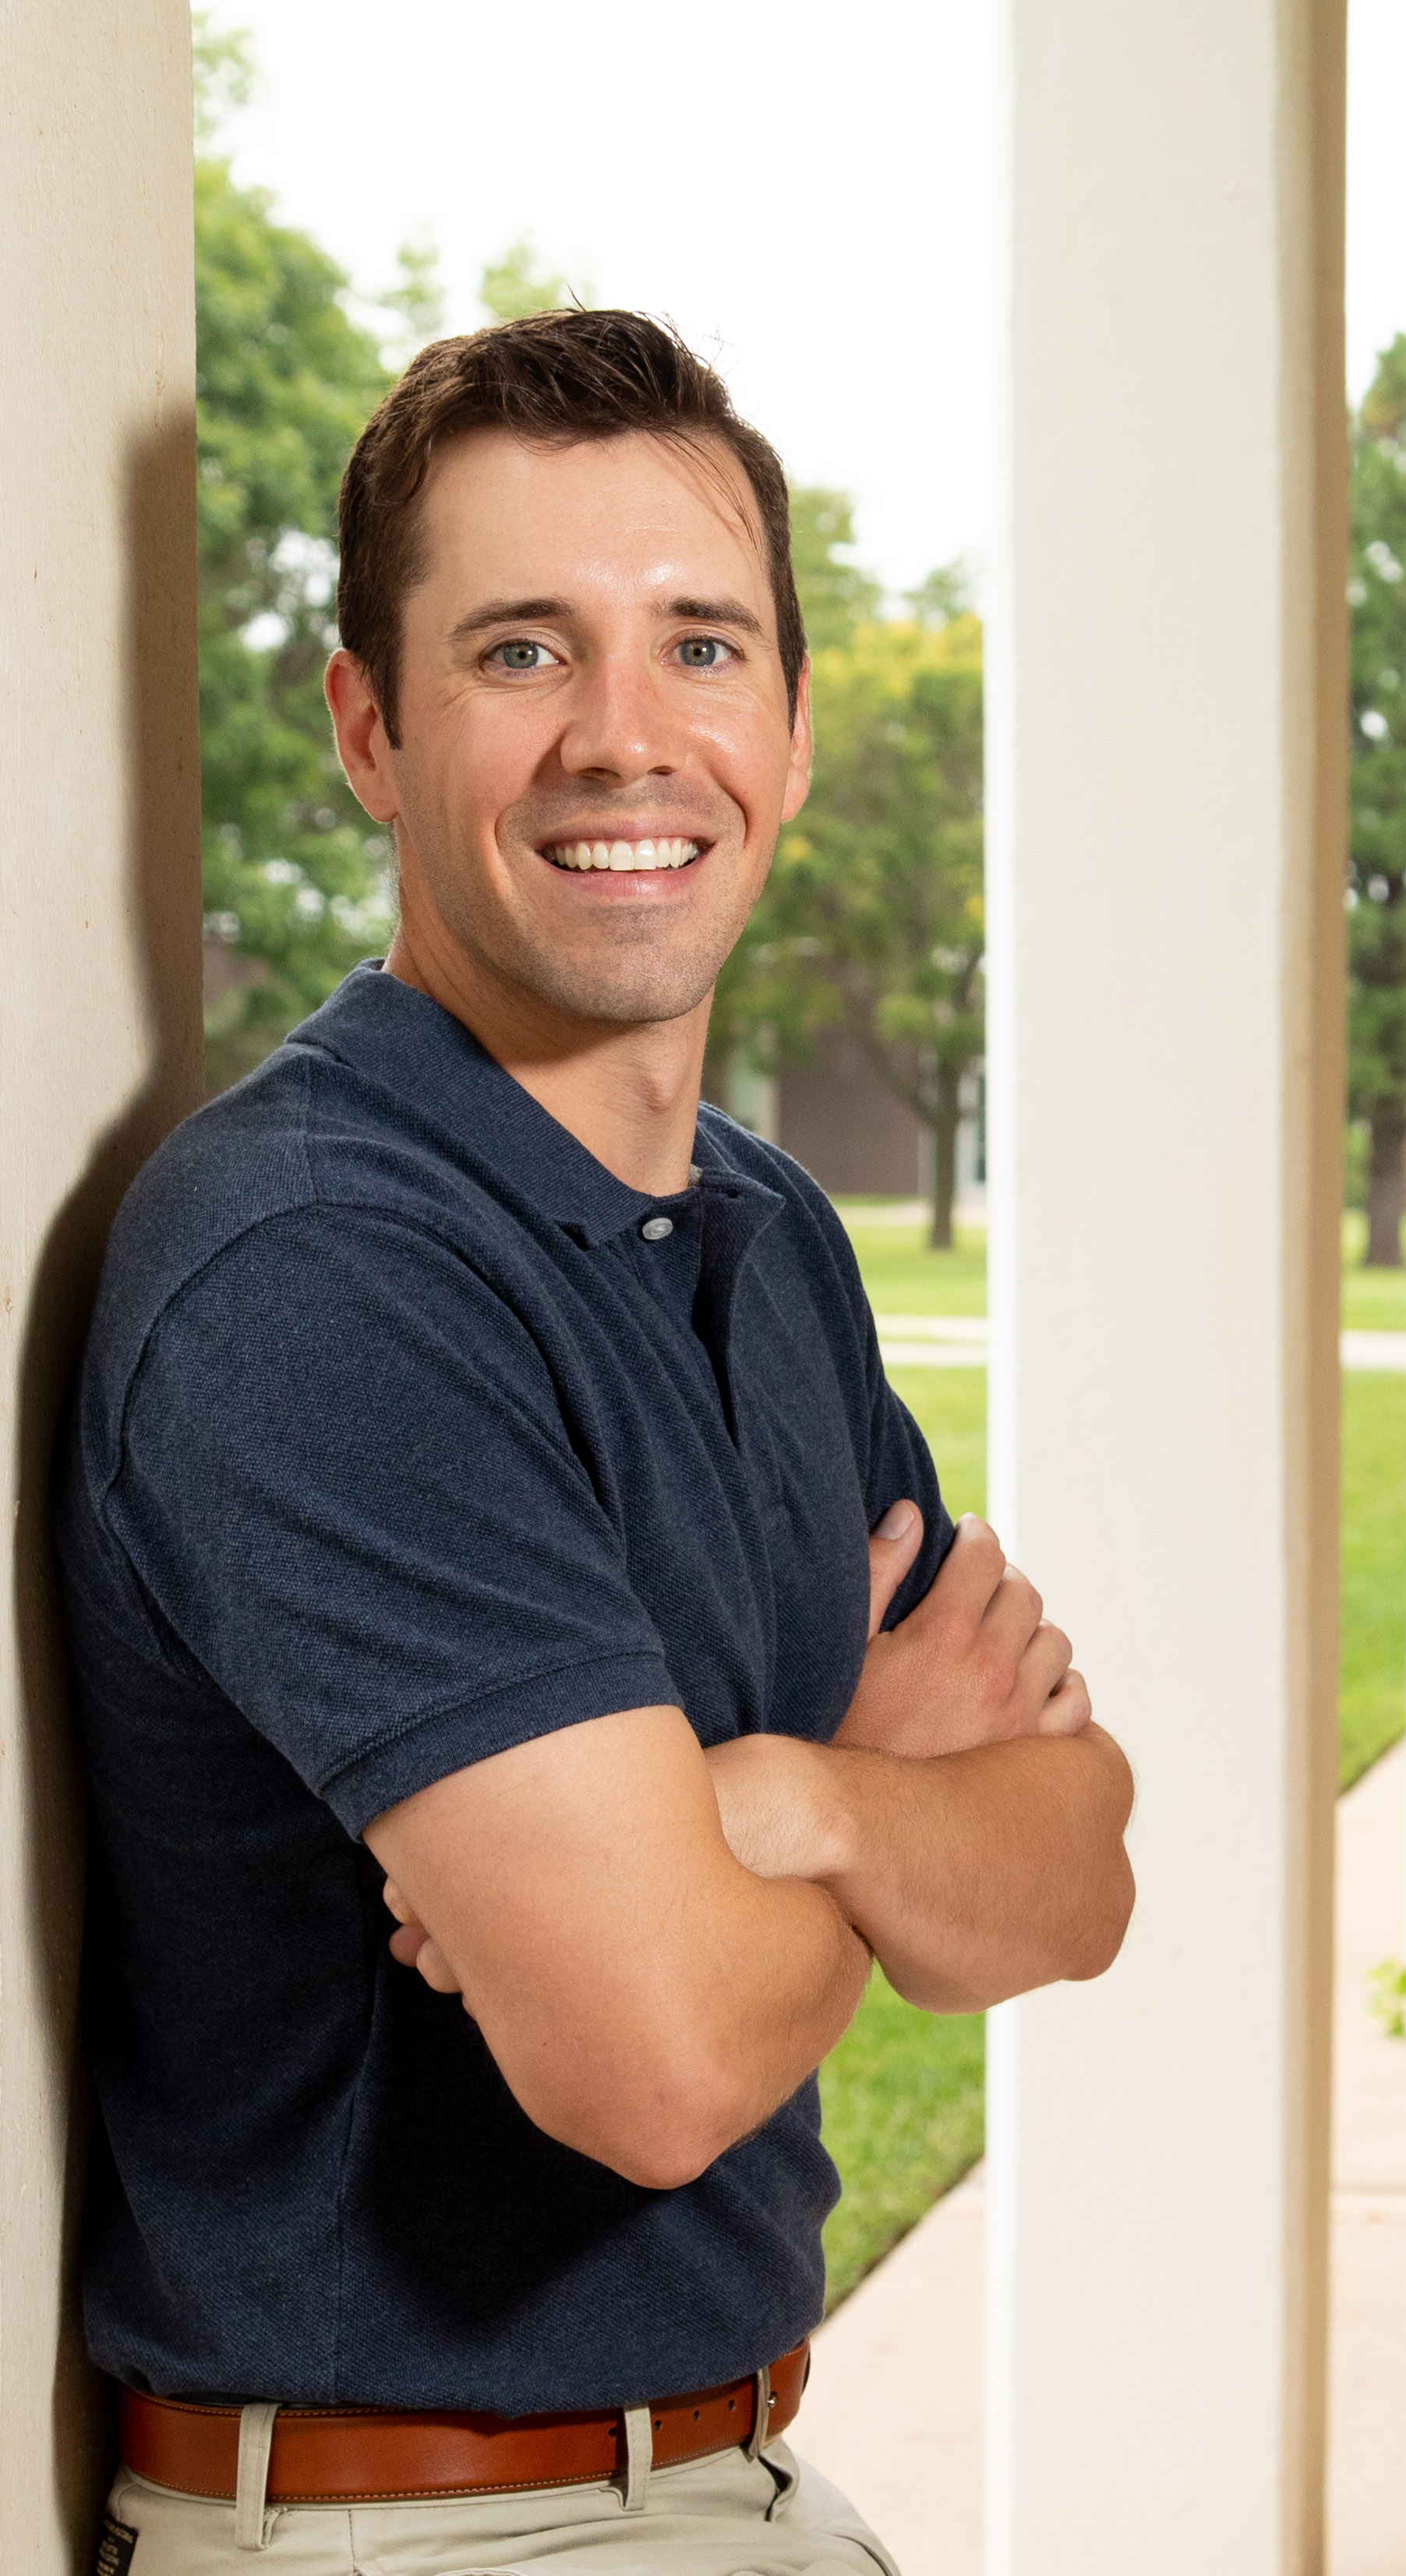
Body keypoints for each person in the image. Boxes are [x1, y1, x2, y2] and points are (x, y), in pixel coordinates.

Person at [55, 308, 1132, 2572]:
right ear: (369, 725)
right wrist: (885, 1784)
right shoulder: (320, 1267)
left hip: (728, 2484)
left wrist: (795, 1788)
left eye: (701, 647)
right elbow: (646, 2065)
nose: (626, 739)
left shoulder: (764, 1235)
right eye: (525, 650)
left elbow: (1078, 1869)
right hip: (424, 2533)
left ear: (795, 732)